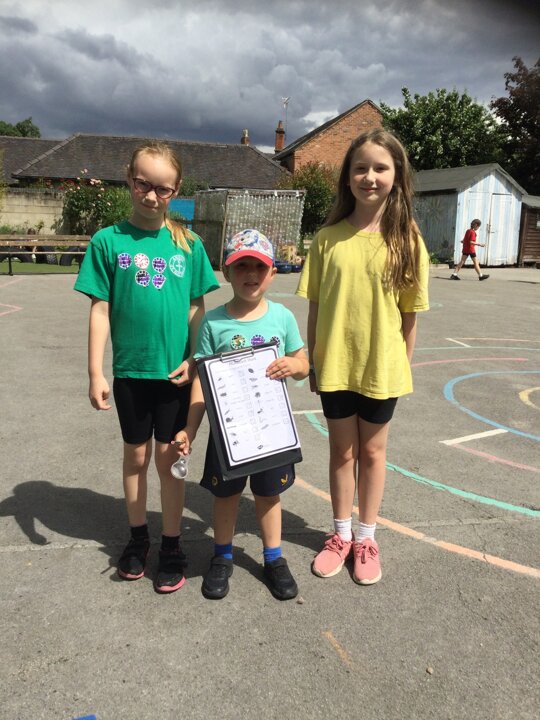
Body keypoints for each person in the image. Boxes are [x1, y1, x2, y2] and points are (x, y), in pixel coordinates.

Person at [74, 141, 219, 593]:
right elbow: (100, 308)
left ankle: (171, 543)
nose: (152, 196)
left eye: (163, 188)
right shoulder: (108, 241)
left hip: (175, 375)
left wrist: (195, 359)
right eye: (142, 184)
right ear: (129, 179)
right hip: (131, 374)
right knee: (135, 456)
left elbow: (196, 308)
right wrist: (96, 371)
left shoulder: (188, 244)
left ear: (176, 189)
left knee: (170, 459)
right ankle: (139, 538)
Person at [296, 129, 430, 585]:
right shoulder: (327, 239)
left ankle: (367, 538)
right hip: (336, 365)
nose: (369, 177)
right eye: (360, 168)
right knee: (341, 451)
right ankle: (340, 535)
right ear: (347, 177)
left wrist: (401, 367)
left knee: (372, 452)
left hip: (381, 369)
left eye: (380, 168)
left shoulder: (408, 241)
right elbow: (316, 309)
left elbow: (409, 317)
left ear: (397, 175)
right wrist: (315, 363)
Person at [174, 229, 309, 601]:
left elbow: (303, 362)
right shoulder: (214, 323)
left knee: (268, 495)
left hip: (270, 430)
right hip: (228, 433)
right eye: (241, 266)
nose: (251, 274)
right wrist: (190, 429)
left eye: (259, 267)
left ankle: (274, 558)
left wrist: (294, 366)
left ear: (273, 273)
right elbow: (202, 381)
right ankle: (222, 556)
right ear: (227, 272)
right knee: (226, 495)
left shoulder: (281, 317)